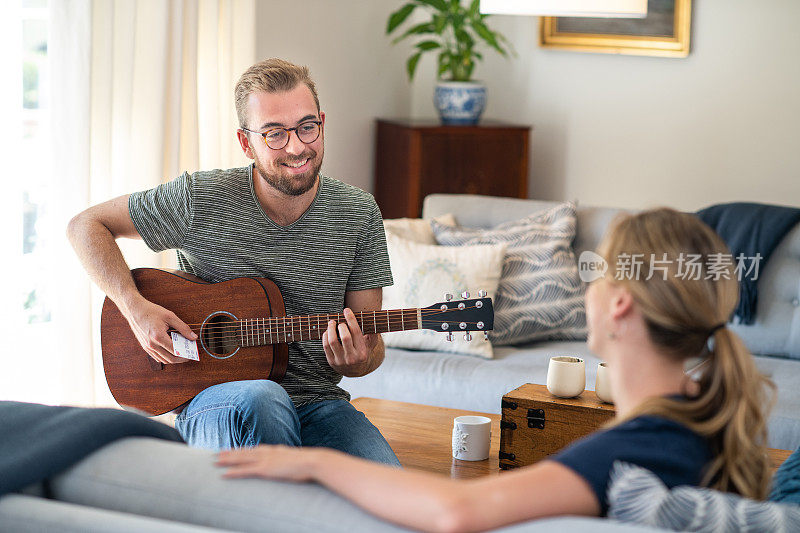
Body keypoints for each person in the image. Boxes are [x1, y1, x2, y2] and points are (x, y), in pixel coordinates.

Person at [216, 208, 775, 532]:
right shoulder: (706, 426)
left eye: (597, 272)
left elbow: (456, 511)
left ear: (621, 304)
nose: (589, 288)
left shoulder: (637, 449)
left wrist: (313, 463)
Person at [67, 58, 399, 466]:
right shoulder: (200, 198)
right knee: (263, 399)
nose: (296, 147)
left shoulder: (358, 213)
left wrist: (360, 358)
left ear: (322, 123)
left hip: (319, 404)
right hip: (212, 403)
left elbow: (370, 343)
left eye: (306, 127)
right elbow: (86, 226)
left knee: (389, 488)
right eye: (274, 134)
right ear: (246, 143)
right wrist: (135, 309)